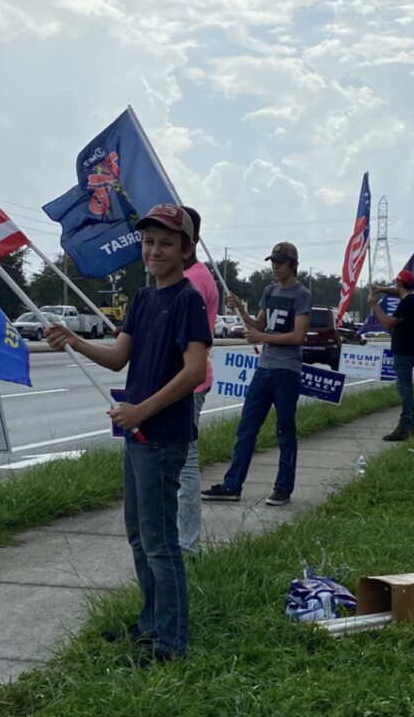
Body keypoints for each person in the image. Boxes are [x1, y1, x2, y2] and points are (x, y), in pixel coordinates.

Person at [45, 204, 211, 664]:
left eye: (166, 243)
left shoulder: (188, 300)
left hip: (163, 436)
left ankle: (171, 645)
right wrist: (74, 340)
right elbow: (119, 358)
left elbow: (195, 371)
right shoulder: (142, 299)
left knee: (162, 545)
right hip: (136, 435)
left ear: (186, 249)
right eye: (148, 241)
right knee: (139, 537)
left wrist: (142, 411)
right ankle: (151, 624)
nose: (155, 250)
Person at [201, 241, 311, 506]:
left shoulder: (302, 294)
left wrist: (263, 337)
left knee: (285, 430)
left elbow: (299, 336)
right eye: (273, 262)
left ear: (293, 265)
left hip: (287, 371)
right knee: (246, 428)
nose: (275, 267)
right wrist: (240, 308)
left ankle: (283, 487)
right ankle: (232, 485)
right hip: (264, 369)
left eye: (280, 262)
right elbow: (257, 325)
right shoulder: (269, 291)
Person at [178, 206, 219, 555]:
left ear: (191, 242)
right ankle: (182, 541)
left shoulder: (193, 282)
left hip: (187, 382)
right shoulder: (199, 275)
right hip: (191, 379)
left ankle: (187, 544)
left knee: (185, 462)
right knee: (180, 460)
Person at [368, 269, 414, 441]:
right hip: (412, 349)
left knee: (405, 390)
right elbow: (399, 291)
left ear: (399, 283)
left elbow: (388, 323)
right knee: (404, 388)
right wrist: (382, 289)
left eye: (396, 284)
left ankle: (405, 426)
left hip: (403, 351)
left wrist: (375, 305)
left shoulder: (405, 304)